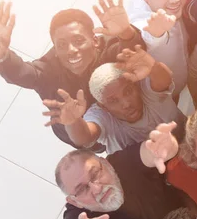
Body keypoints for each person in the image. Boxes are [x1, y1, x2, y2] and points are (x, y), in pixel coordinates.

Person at [0, 0, 144, 148]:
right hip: (83, 134)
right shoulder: (48, 69)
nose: (71, 50)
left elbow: (132, 50)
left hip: (134, 112)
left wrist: (125, 32)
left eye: (78, 40)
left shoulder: (109, 48)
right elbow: (22, 73)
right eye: (61, 45)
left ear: (95, 40)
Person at [56, 121, 197, 219]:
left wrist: (166, 147)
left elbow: (149, 152)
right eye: (82, 189)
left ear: (105, 162)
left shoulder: (121, 163)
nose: (97, 188)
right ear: (74, 201)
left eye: (95, 173)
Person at [42, 46, 184, 154]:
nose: (126, 103)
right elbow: (85, 138)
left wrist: (153, 67)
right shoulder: (100, 115)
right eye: (113, 101)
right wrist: (73, 121)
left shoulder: (144, 88)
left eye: (128, 91)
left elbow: (164, 80)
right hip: (151, 176)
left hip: (188, 139)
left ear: (135, 85)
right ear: (103, 107)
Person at [126, 0, 190, 100]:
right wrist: (156, 34)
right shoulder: (140, 18)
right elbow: (141, 31)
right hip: (164, 97)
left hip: (184, 80)